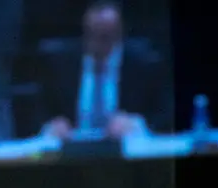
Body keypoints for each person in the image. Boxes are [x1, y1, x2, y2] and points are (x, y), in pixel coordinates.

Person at [38, 1, 172, 140]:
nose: (96, 44)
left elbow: (164, 115)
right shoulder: (61, 64)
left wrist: (135, 124)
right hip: (74, 150)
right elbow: (40, 109)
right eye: (91, 35)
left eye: (105, 37)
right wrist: (53, 125)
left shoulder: (143, 64)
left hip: (125, 151)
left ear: (119, 34)